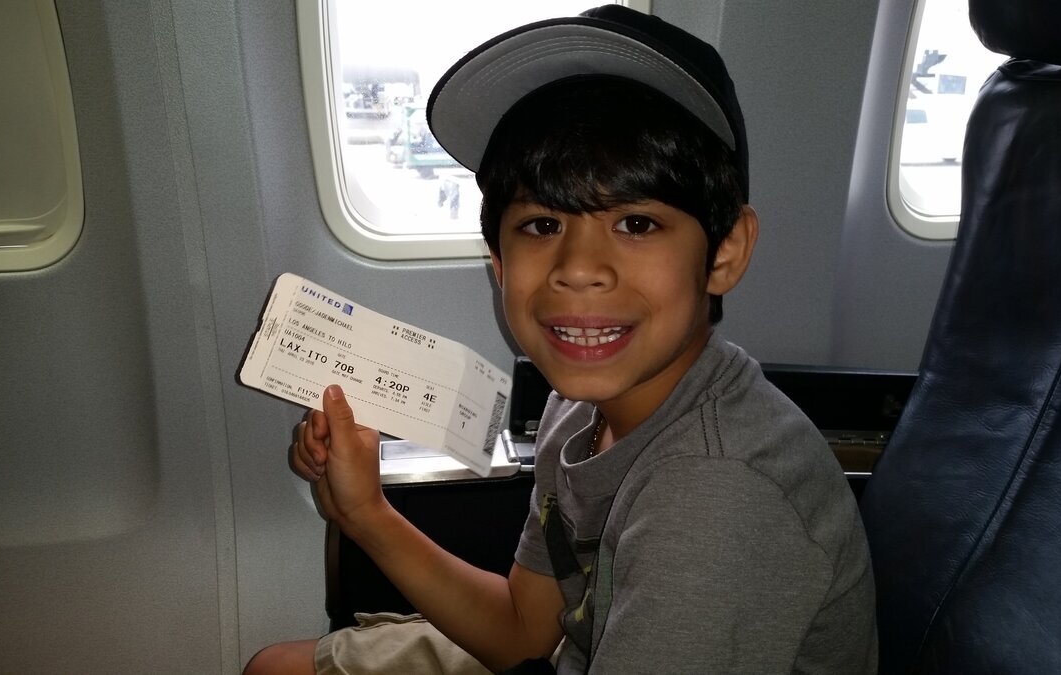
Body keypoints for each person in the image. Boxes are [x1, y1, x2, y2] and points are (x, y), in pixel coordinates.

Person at [245, 5, 877, 674]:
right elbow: (529, 631)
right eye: (543, 224)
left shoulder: (718, 498)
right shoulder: (575, 410)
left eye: (636, 223)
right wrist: (366, 511)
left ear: (724, 250)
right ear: (497, 263)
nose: (577, 267)